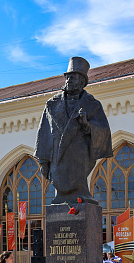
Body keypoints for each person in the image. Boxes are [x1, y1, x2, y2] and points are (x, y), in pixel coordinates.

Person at [34, 56, 112, 204]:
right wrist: (44, 161)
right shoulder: (52, 104)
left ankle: (80, 195)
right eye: (67, 77)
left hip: (80, 158)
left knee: (78, 183)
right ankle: (62, 197)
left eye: (73, 78)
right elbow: (44, 134)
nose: (69, 81)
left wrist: (86, 125)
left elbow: (103, 132)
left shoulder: (93, 105)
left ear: (82, 82)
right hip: (59, 157)